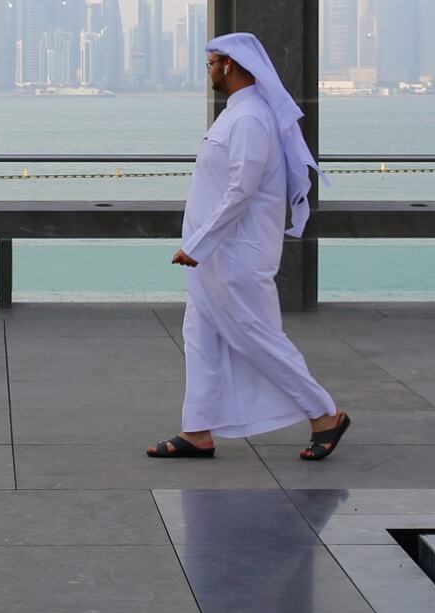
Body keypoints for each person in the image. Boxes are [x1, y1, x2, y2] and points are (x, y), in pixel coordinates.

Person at [147, 32, 350, 462]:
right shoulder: (236, 115)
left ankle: (324, 414)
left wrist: (199, 244)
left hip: (235, 256)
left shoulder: (251, 119)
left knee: (257, 338)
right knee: (199, 336)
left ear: (232, 65)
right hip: (212, 258)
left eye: (212, 63)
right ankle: (197, 431)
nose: (209, 71)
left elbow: (242, 189)